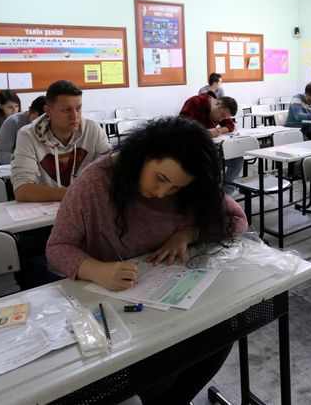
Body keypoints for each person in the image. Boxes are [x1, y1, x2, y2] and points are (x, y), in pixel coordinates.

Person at [46, 116, 248, 404]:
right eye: (161, 178)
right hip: (119, 309)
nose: (162, 193)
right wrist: (98, 270)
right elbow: (57, 247)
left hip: (173, 297)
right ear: (142, 155)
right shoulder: (95, 182)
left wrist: (189, 233)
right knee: (158, 376)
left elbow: (237, 220)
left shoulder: (192, 185)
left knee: (222, 334)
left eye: (176, 188)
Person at [11, 80, 111, 202]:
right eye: (67, 110)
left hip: (85, 204)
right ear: (48, 111)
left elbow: (111, 170)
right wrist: (76, 193)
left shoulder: (92, 129)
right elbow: (22, 190)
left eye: (78, 108)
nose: (75, 116)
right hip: (48, 210)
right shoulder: (28, 136)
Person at [179, 93, 240, 194]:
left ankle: (225, 195)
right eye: (222, 115)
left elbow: (230, 125)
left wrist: (220, 130)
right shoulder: (194, 103)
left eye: (224, 118)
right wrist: (204, 132)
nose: (221, 119)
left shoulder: (220, 109)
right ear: (218, 103)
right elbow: (181, 128)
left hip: (206, 150)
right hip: (190, 152)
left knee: (237, 160)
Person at [0, 96, 46, 165]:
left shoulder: (53, 123)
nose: (39, 126)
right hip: (19, 165)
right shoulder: (13, 122)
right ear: (30, 111)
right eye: (36, 120)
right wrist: (20, 159)